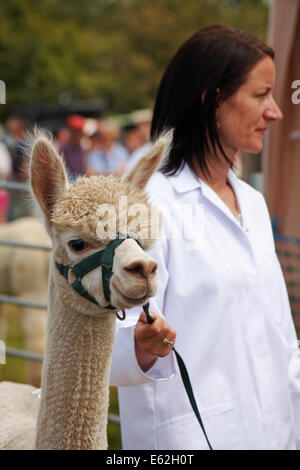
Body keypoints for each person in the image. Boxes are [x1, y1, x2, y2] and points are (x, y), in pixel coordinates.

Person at [110, 25, 300, 450]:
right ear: (212, 97)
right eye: (261, 94)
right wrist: (141, 348)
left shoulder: (251, 202)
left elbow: (283, 342)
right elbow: (107, 342)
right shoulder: (146, 204)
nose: (276, 112)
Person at [60, 115, 86, 180]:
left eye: (79, 131)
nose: (77, 134)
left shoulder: (83, 150)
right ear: (70, 131)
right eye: (74, 131)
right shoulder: (62, 150)